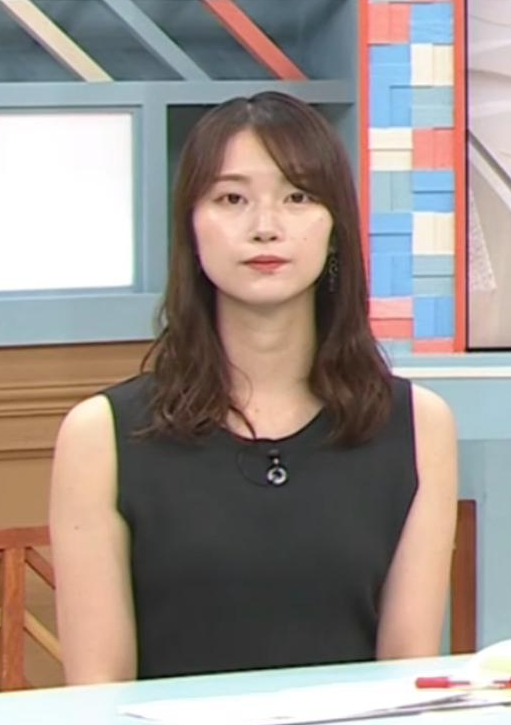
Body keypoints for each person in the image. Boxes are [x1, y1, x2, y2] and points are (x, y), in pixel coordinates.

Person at [49, 92, 458, 685]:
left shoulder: (418, 425)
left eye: (298, 197)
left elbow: (405, 675)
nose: (265, 228)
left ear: (335, 229)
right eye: (232, 199)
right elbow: (97, 696)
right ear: (191, 228)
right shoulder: (102, 436)